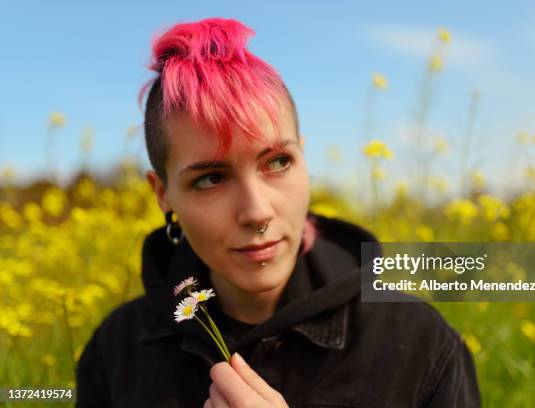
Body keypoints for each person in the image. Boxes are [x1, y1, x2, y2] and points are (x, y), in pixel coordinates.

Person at [76, 17, 481, 407]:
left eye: (278, 162)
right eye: (211, 179)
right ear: (163, 195)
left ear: (303, 156)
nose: (257, 212)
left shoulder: (420, 346)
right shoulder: (115, 354)